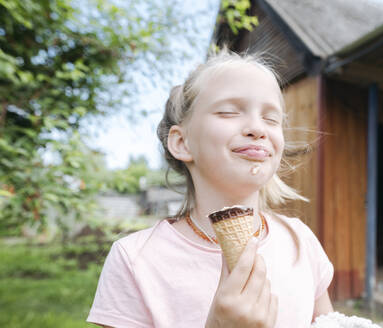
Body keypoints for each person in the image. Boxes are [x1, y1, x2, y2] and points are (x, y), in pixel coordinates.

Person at [87, 49, 334, 328]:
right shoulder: (135, 259)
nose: (257, 128)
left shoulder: (301, 241)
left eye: (271, 119)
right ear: (182, 143)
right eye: (228, 112)